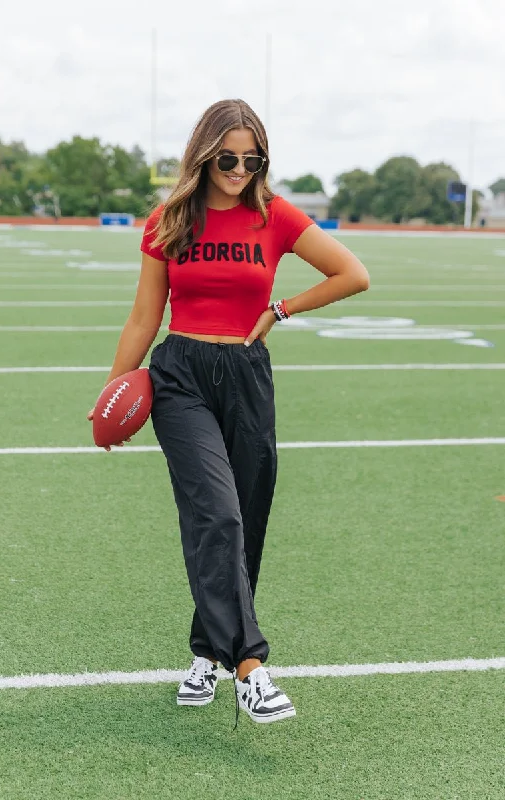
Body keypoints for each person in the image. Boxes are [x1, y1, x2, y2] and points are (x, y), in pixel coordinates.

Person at [88, 98, 370, 725]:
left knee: (245, 522)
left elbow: (353, 274)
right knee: (214, 512)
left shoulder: (275, 218)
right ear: (204, 154)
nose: (240, 169)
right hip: (180, 374)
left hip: (246, 375)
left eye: (252, 158)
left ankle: (206, 654)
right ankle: (249, 666)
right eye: (228, 157)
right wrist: (111, 393)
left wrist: (283, 308)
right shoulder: (169, 220)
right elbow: (144, 317)